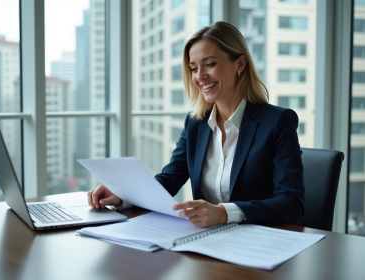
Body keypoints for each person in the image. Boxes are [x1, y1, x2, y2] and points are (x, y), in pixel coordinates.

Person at [88, 21, 305, 228]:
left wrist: (224, 213)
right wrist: (123, 196)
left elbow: (291, 204)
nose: (200, 76)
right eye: (193, 68)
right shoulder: (196, 124)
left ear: (240, 63)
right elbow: (169, 179)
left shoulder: (277, 121)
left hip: (258, 243)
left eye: (210, 64)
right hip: (207, 241)